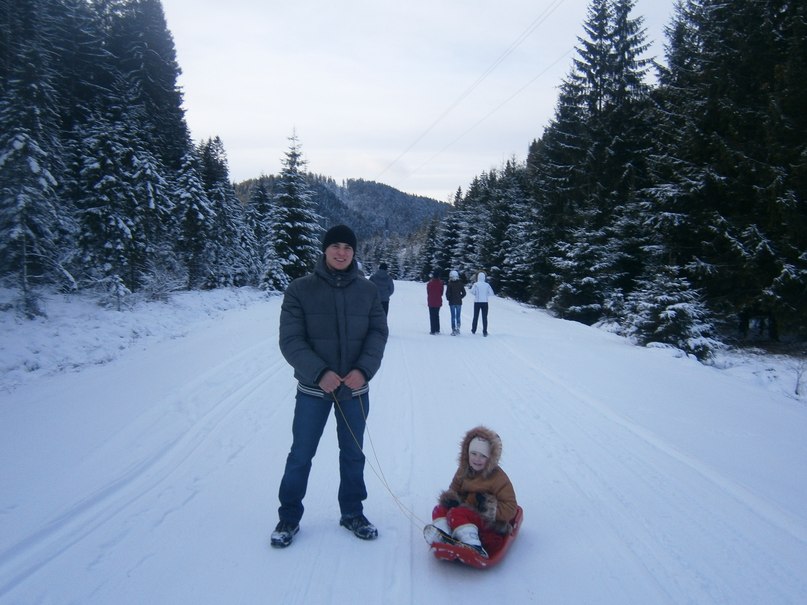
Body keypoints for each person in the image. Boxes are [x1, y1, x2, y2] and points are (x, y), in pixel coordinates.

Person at [271, 224, 389, 548]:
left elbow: (378, 334)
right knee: (301, 454)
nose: (341, 252)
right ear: (325, 249)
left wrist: (363, 370)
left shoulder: (368, 291)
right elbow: (290, 340)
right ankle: (288, 517)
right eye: (335, 246)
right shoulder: (300, 289)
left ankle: (352, 513)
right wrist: (319, 372)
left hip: (354, 391)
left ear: (354, 253)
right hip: (314, 391)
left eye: (348, 248)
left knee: (353, 454)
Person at [424, 426, 518, 558]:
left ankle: (473, 545)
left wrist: (487, 507)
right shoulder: (463, 470)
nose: (477, 459)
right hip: (465, 512)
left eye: (483, 456)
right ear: (467, 453)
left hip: (486, 520)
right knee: (439, 509)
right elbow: (454, 488)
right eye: (473, 454)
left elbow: (511, 508)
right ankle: (445, 536)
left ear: (491, 459)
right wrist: (451, 499)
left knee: (456, 514)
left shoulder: (498, 479)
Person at [470, 271, 495, 336]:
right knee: (484, 317)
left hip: (477, 302)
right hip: (485, 302)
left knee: (475, 316)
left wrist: (476, 294)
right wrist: (485, 295)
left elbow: (472, 292)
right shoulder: (487, 285)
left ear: (478, 277)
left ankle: (473, 330)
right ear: (484, 277)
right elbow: (492, 293)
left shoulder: (476, 284)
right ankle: (485, 331)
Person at [445, 270, 466, 336]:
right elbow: (464, 293)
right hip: (459, 302)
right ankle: (458, 328)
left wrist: (449, 299)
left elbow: (447, 294)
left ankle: (453, 329)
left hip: (452, 302)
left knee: (453, 316)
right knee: (458, 316)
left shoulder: (449, 284)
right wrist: (460, 297)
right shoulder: (460, 284)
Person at [426, 270, 444, 334]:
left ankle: (432, 330)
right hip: (438, 301)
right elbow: (441, 293)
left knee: (432, 315)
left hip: (431, 301)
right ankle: (437, 329)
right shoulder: (441, 283)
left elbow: (428, 292)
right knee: (437, 315)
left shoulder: (429, 283)